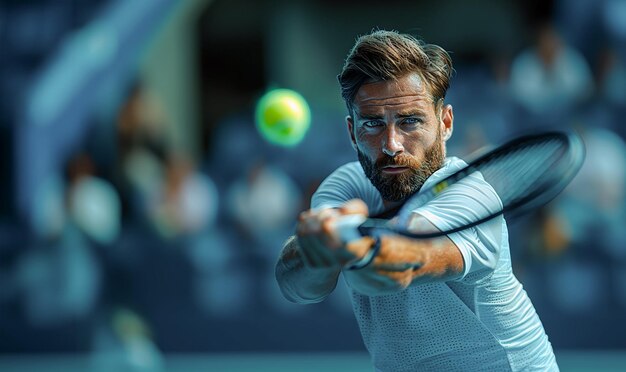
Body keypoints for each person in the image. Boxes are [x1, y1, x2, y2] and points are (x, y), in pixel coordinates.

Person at [275, 30, 558, 371]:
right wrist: (314, 248)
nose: (392, 144)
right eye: (373, 124)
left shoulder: (472, 196)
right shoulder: (349, 184)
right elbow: (296, 286)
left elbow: (409, 260)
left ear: (446, 123)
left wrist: (356, 250)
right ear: (352, 132)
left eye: (410, 121)